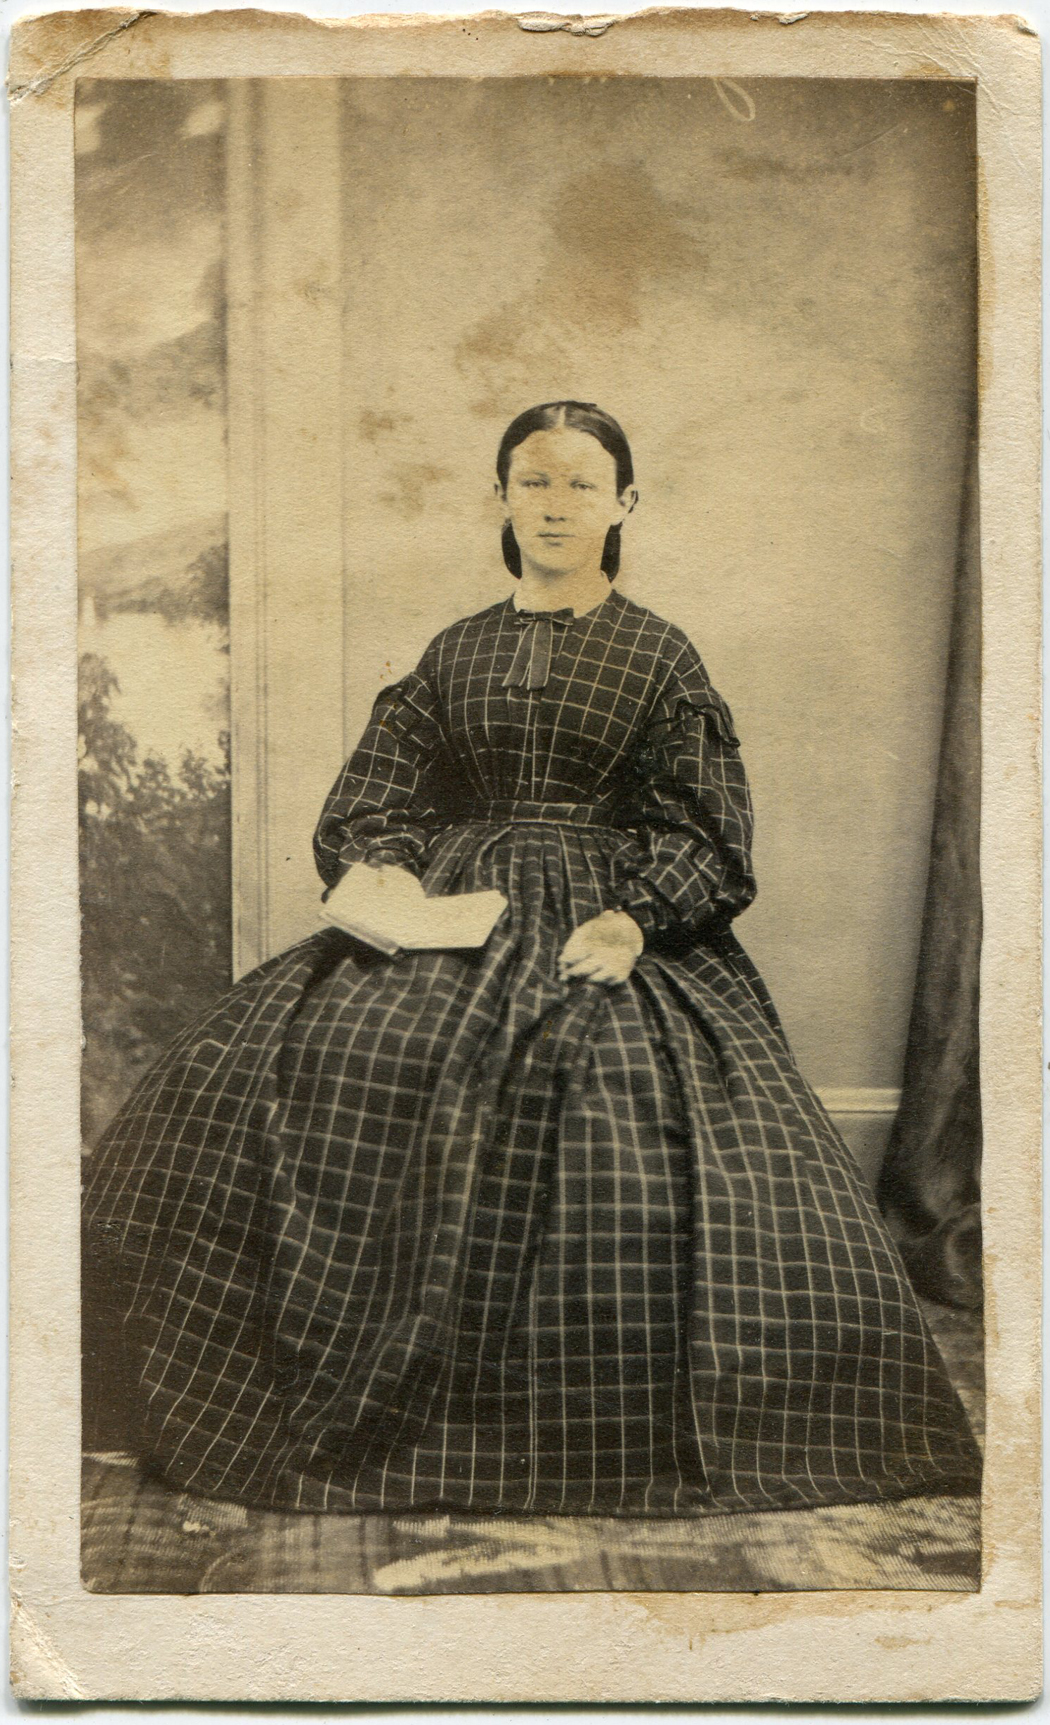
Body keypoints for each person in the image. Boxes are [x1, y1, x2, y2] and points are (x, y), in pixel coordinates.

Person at [85, 400, 981, 1518]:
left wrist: (634, 921)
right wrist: (386, 874)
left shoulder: (659, 655)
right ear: (503, 499)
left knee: (611, 1098)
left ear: (624, 503)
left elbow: (708, 833)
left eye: (580, 484)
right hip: (453, 910)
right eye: (534, 482)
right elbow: (375, 798)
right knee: (293, 1064)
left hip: (603, 917)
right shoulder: (454, 651)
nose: (556, 505)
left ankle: (571, 1425)